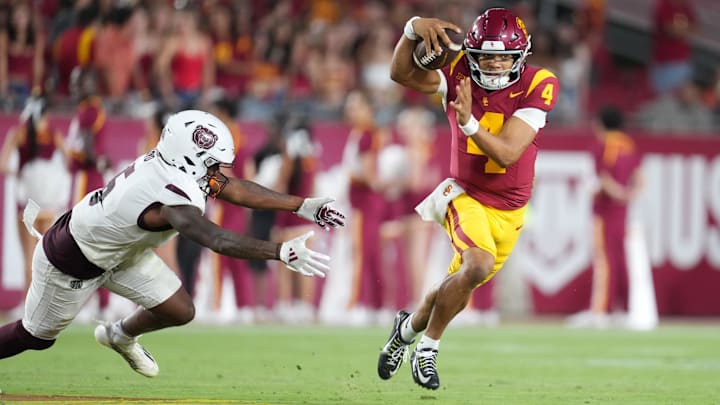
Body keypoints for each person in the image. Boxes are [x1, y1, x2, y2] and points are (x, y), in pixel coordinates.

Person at [0, 110, 345, 378]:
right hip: (72, 258)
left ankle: (119, 335)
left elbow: (232, 187)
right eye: (212, 162)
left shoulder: (173, 165)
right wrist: (279, 252)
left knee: (180, 309)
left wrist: (301, 205)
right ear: (191, 157)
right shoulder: (173, 194)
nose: (218, 171)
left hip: (119, 250)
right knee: (35, 338)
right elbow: (216, 237)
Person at [376, 8, 559, 390]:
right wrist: (411, 29)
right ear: (470, 54)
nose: (493, 65)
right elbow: (401, 73)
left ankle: (405, 331)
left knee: (452, 289)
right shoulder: (458, 70)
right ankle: (427, 350)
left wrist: (468, 123)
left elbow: (508, 153)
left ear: (521, 56)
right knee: (477, 265)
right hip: (464, 193)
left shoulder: (538, 82)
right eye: (485, 56)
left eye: (502, 57)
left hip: (510, 210)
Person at [568, 106, 642, 328]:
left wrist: (618, 194)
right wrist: (630, 195)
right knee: (620, 260)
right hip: (622, 214)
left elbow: (601, 177)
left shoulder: (602, 145)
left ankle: (601, 310)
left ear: (600, 123)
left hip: (605, 212)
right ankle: (624, 310)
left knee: (605, 261)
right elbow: (640, 177)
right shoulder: (629, 145)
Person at [0, 97, 70, 314]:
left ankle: (28, 304)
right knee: (47, 256)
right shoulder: (53, 135)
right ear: (46, 115)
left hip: (28, 205)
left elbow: (3, 165)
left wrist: (23, 175)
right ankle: (47, 306)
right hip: (48, 203)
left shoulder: (18, 135)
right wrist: (51, 177)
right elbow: (69, 161)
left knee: (30, 256)